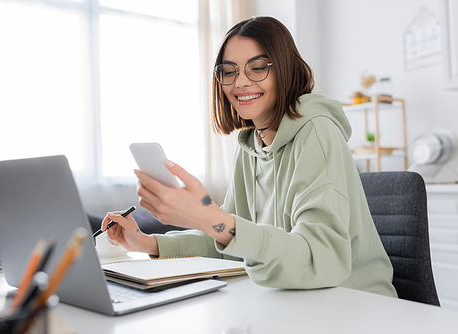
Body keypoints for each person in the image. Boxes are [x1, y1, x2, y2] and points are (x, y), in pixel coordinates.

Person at [102, 16, 397, 298]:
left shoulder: (317, 133)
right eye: (229, 71)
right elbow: (228, 240)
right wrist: (145, 242)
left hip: (352, 303)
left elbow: (319, 257)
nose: (240, 82)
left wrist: (211, 218)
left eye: (257, 68)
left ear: (285, 69)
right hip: (294, 298)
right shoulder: (250, 147)